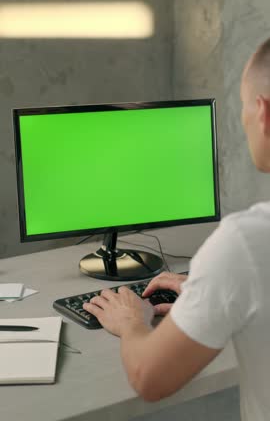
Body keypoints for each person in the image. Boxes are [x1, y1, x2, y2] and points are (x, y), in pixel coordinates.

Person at [83, 38, 270, 421]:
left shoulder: (246, 243)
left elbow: (148, 377)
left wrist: (131, 322)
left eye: (242, 107)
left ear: (264, 113)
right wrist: (214, 290)